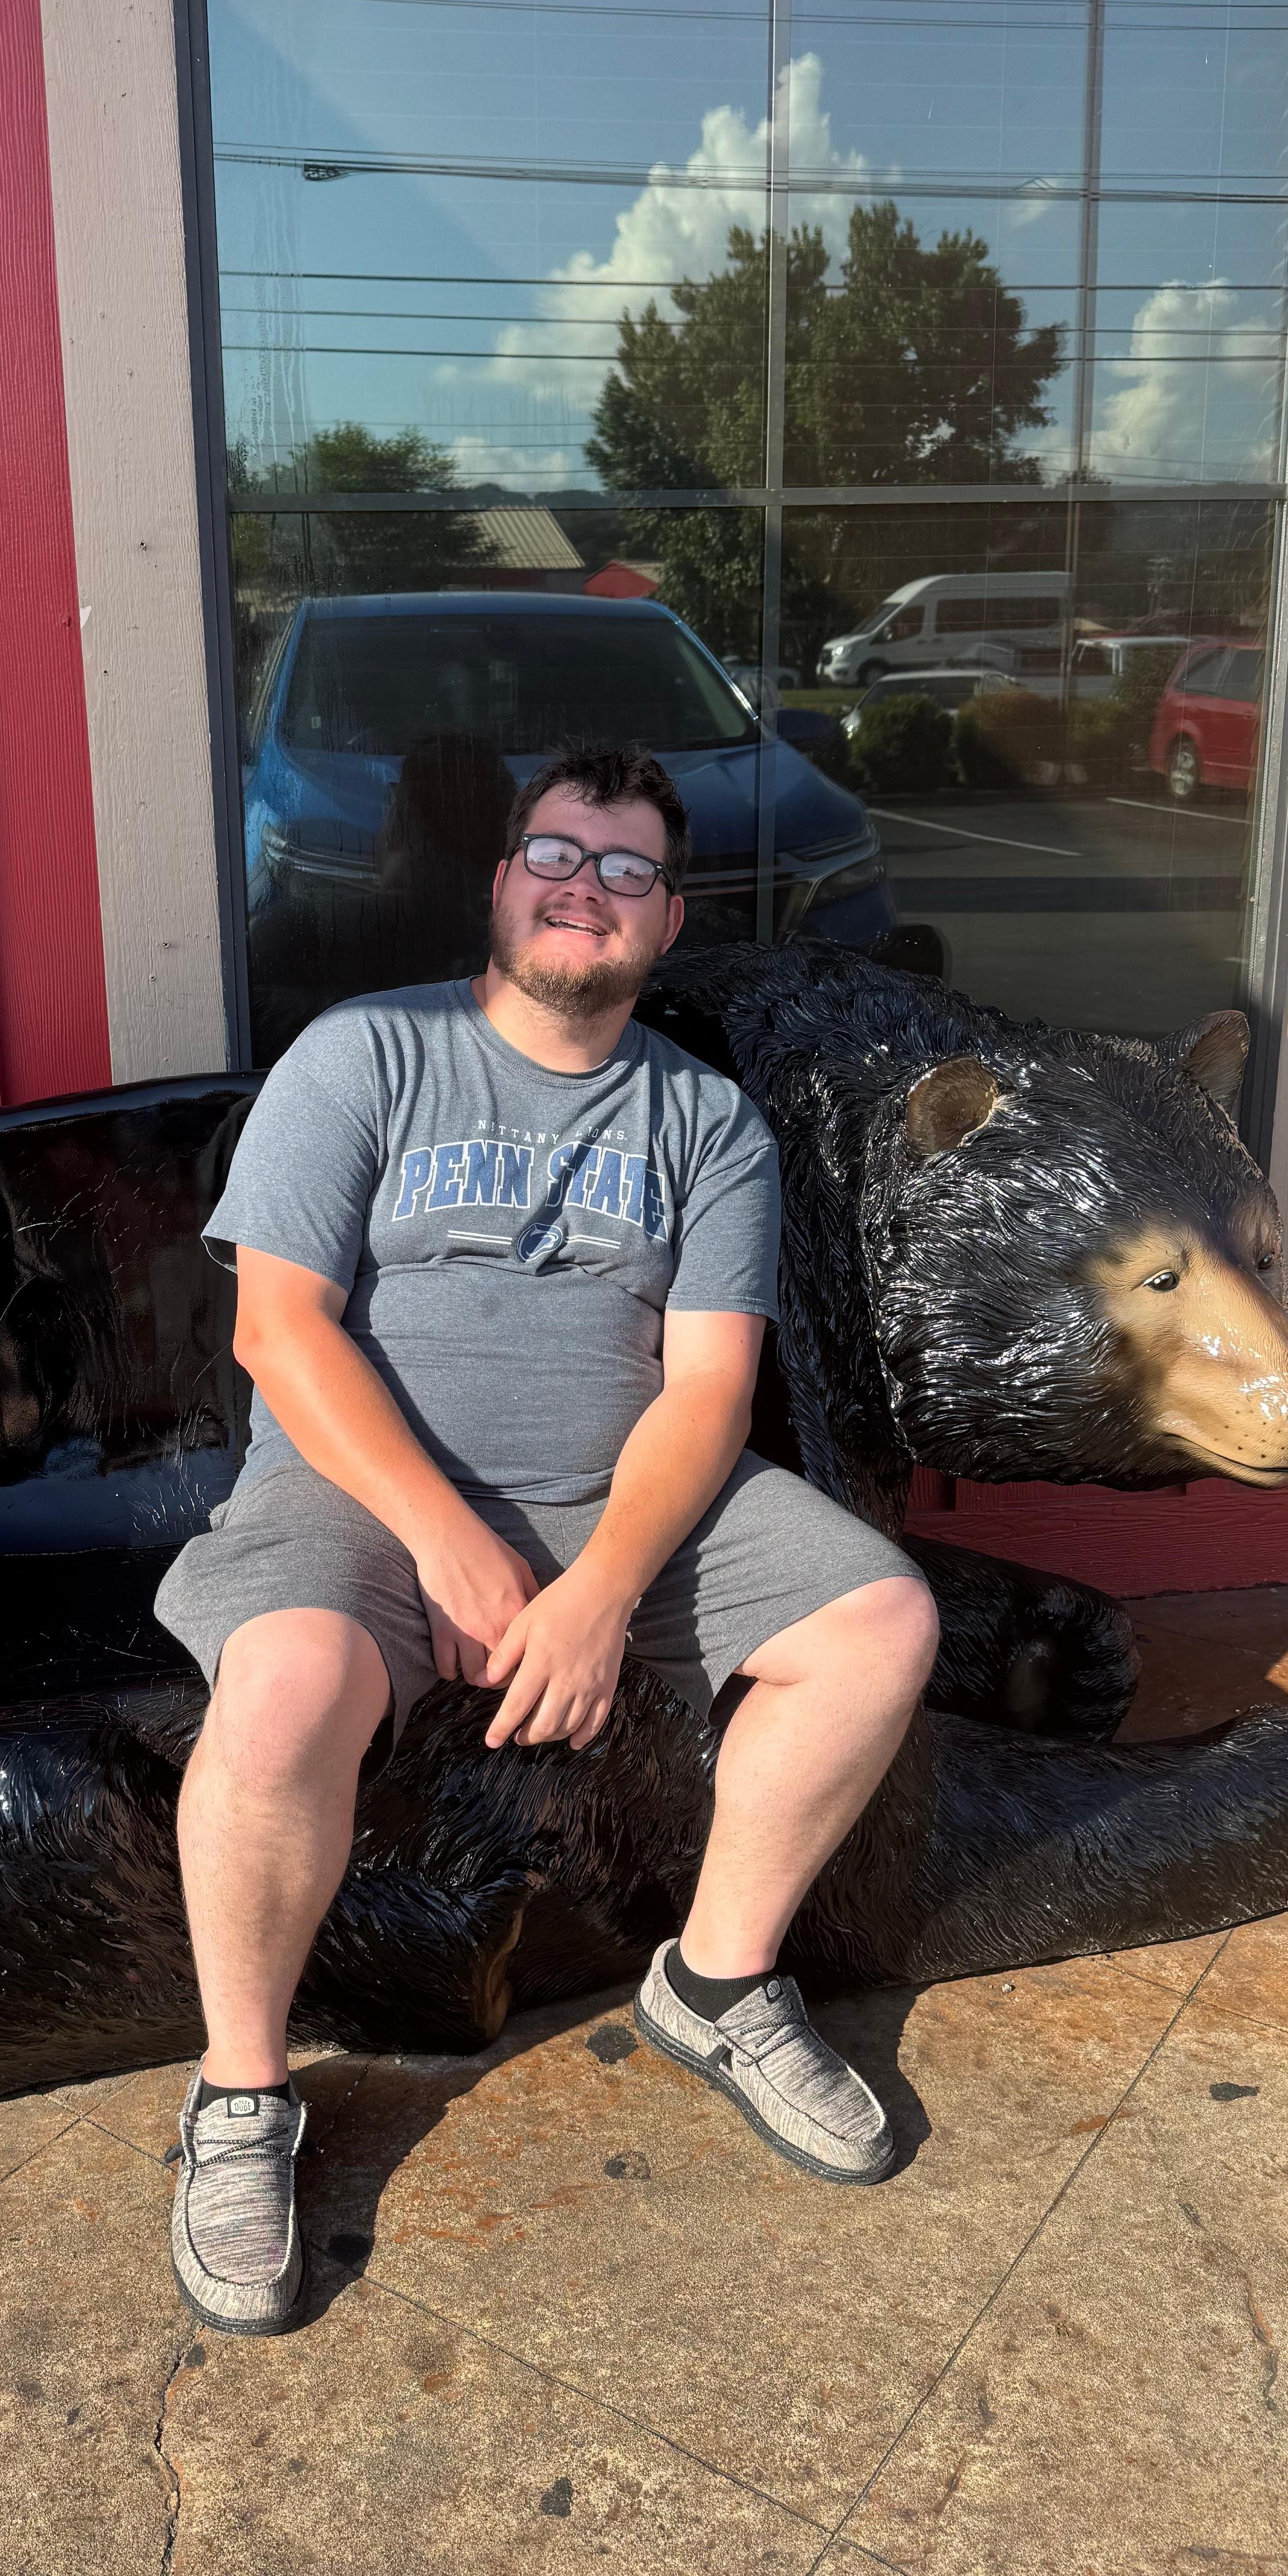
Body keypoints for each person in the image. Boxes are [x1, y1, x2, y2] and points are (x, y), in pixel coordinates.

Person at [154, 744, 940, 2334]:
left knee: (877, 1625)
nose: (584, 888)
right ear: (505, 882)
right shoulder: (366, 1053)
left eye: (627, 870)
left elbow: (708, 1386)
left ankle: (715, 1982)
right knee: (286, 1690)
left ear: (665, 923)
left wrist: (599, 1591)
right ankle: (240, 2096)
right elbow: (281, 1337)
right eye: (555, 855)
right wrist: (443, 1539)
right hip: (358, 1493)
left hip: (620, 1496)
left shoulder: (706, 1124)